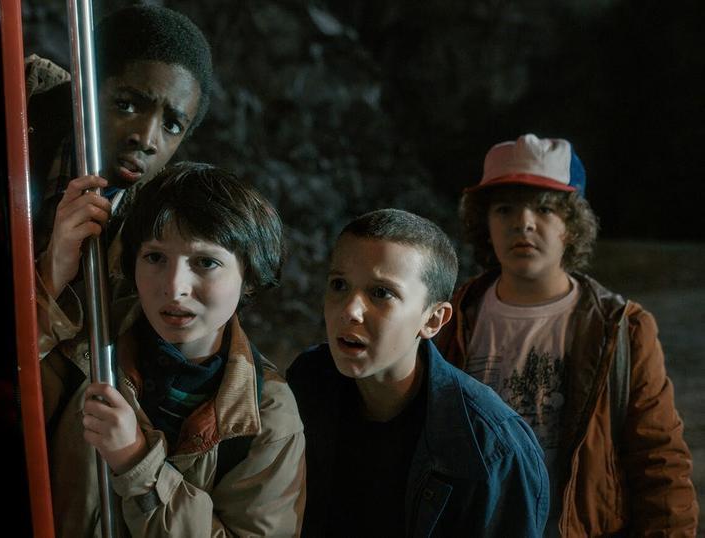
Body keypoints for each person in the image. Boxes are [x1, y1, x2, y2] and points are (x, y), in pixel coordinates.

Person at [434, 133, 699, 536]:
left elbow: (659, 461)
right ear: (484, 223)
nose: (523, 222)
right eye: (504, 209)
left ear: (572, 225)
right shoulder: (447, 318)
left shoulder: (621, 328)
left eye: (544, 208)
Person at [41, 162, 306, 537]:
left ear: (249, 276)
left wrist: (136, 462)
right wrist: (53, 269)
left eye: (206, 262)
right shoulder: (84, 339)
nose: (175, 286)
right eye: (155, 258)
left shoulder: (267, 415)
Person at [287, 208, 549, 537]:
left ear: (433, 320)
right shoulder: (309, 383)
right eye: (339, 285)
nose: (350, 310)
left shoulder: (492, 446)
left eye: (381, 293)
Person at [26, 4, 215, 354]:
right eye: (127, 105)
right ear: (84, 87)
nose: (147, 139)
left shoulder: (153, 237)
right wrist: (52, 269)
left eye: (172, 125)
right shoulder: (13, 114)